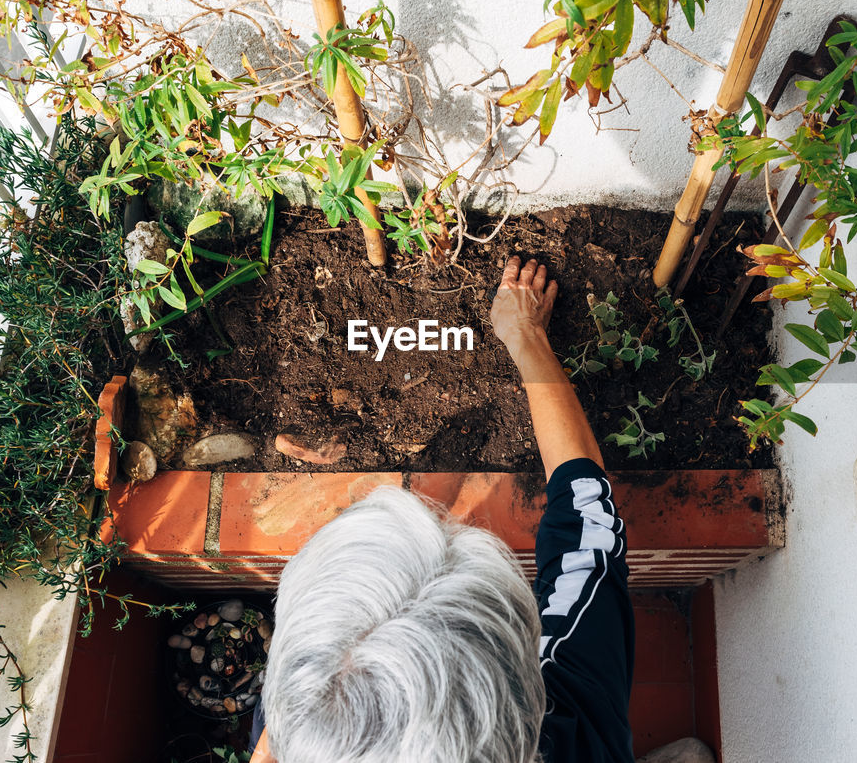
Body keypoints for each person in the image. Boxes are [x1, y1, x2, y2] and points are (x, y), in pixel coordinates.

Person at [249, 257, 714, 763]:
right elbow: (587, 522)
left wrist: (302, 712)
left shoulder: (299, 715)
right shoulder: (571, 717)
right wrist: (525, 336)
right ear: (524, 699)